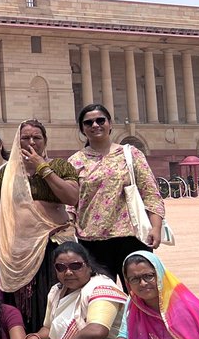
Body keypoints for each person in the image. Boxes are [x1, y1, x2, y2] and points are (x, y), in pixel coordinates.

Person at [0, 119, 81, 330]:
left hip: (52, 244)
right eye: (25, 138)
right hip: (17, 249)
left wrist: (43, 167)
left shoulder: (60, 166)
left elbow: (72, 197)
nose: (31, 142)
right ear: (17, 141)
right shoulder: (7, 173)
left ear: (45, 141)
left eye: (37, 138)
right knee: (22, 300)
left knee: (50, 295)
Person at [68, 104, 165, 284]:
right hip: (91, 241)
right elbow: (69, 204)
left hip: (132, 236)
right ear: (82, 129)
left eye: (100, 120)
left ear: (110, 124)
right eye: (88, 122)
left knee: (141, 293)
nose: (95, 125)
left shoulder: (131, 154)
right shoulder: (75, 161)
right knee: (102, 300)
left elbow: (151, 193)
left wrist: (156, 228)